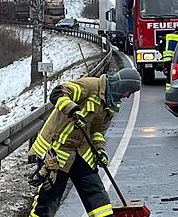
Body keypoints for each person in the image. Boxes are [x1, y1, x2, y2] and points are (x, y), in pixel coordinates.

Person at [27, 69, 142, 217]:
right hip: (57, 152)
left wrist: (100, 149)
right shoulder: (89, 86)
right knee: (48, 202)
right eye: (129, 92)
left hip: (81, 153)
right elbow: (57, 93)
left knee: (98, 198)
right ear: (122, 85)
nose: (127, 96)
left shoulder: (110, 104)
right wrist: (72, 109)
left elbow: (98, 131)